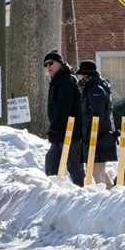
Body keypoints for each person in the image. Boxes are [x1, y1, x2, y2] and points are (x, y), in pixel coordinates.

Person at [43, 50, 84, 186]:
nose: (48, 66)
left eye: (51, 63)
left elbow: (63, 107)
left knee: (73, 164)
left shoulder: (67, 80)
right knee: (52, 160)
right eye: (46, 65)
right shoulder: (57, 80)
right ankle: (53, 190)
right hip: (60, 132)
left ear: (60, 63)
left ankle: (83, 192)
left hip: (70, 132)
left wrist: (54, 128)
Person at [76, 60, 118, 188]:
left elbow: (97, 114)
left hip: (99, 137)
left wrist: (90, 134)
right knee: (97, 171)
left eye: (80, 74)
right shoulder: (92, 87)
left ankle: (107, 198)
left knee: (96, 172)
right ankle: (113, 194)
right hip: (95, 136)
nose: (79, 77)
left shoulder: (95, 89)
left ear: (86, 75)